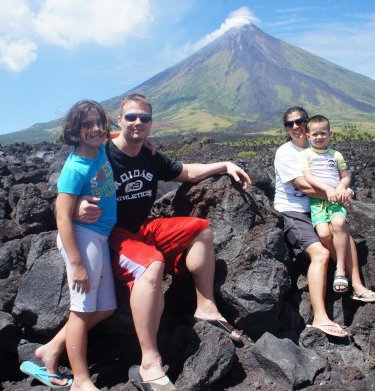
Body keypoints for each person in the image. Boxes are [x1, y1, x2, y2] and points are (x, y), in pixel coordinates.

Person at [37, 93, 251, 391]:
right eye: (132, 118)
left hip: (143, 228)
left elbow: (186, 172)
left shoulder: (149, 154)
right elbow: (61, 201)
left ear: (151, 123)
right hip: (111, 236)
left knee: (200, 228)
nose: (138, 123)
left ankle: (206, 306)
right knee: (152, 265)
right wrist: (76, 209)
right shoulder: (101, 152)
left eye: (145, 118)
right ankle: (150, 362)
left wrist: (224, 164)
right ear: (121, 121)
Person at [23, 100, 117, 390]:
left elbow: (112, 135)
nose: (97, 129)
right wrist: (76, 264)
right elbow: (62, 216)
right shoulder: (76, 167)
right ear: (75, 130)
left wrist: (141, 140)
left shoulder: (99, 147)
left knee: (106, 308)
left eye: (100, 122)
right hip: (82, 239)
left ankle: (50, 350)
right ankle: (81, 380)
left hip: (99, 238)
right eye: (88, 124)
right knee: (81, 311)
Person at [273, 107, 375, 338]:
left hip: (317, 208)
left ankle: (357, 286)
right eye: (289, 124)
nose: (295, 127)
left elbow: (338, 176)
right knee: (320, 254)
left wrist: (342, 190)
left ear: (308, 124)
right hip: (293, 212)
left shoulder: (318, 150)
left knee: (342, 233)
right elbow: (302, 186)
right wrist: (341, 195)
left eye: (299, 121)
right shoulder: (286, 153)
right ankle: (320, 317)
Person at [298, 115, 353, 293]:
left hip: (336, 200)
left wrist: (341, 188)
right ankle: (340, 262)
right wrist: (327, 190)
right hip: (318, 201)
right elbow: (308, 177)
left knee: (338, 223)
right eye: (315, 134)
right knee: (323, 234)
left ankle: (340, 270)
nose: (319, 137)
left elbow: (345, 176)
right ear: (308, 136)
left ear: (330, 134)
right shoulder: (306, 155)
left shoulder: (336, 155)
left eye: (323, 133)